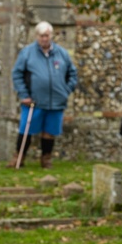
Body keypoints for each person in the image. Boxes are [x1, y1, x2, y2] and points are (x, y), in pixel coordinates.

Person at [9, 21, 78, 168]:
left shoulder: (62, 53)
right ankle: (19, 158)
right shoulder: (27, 53)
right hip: (33, 100)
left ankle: (46, 159)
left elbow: (72, 74)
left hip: (56, 101)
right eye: (41, 36)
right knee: (26, 129)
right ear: (36, 36)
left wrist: (66, 90)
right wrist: (23, 94)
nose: (44, 39)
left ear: (51, 36)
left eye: (46, 36)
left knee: (49, 131)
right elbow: (17, 74)